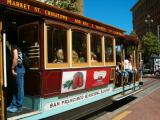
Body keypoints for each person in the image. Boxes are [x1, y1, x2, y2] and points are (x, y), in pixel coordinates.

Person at [7, 43, 25, 113]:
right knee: (15, 88)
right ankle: (14, 105)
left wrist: (12, 68)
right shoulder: (16, 47)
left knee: (19, 89)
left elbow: (16, 57)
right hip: (19, 68)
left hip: (18, 69)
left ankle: (19, 107)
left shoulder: (13, 47)